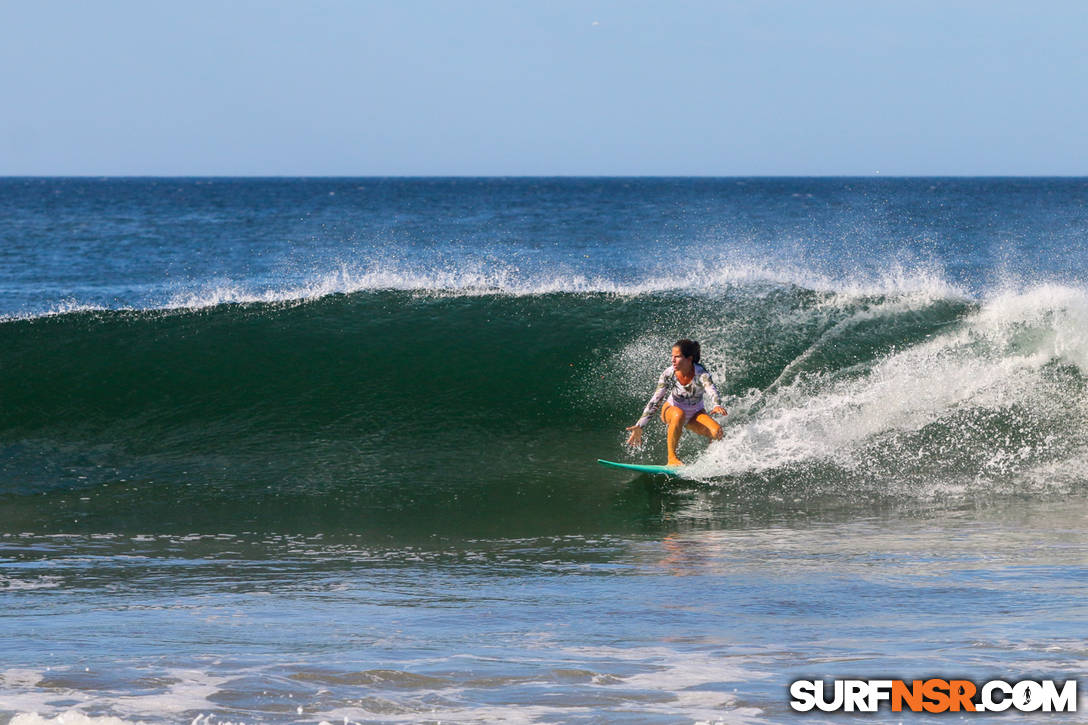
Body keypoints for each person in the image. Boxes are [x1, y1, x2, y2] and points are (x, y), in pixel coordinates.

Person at [626, 339, 727, 465]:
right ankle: (672, 458)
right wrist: (640, 425)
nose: (672, 360)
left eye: (677, 357)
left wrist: (717, 404)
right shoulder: (668, 374)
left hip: (695, 414)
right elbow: (655, 400)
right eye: (672, 356)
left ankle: (711, 459)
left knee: (717, 432)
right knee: (679, 414)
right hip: (672, 410)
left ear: (689, 359)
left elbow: (711, 388)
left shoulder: (701, 373)